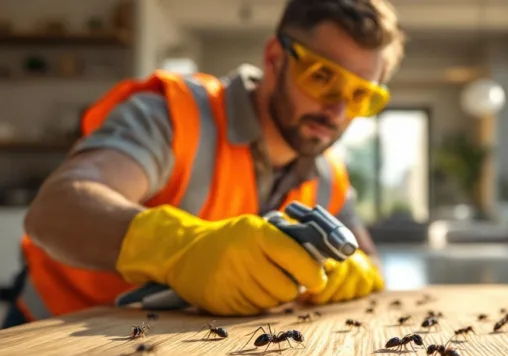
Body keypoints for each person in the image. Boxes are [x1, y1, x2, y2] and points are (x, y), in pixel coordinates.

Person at [1, 0, 405, 329]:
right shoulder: (174, 116)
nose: (337, 110)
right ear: (275, 58)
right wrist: (181, 250)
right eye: (322, 77)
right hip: (54, 335)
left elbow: (369, 258)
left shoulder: (328, 173)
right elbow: (55, 209)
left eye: (360, 96)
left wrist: (354, 267)